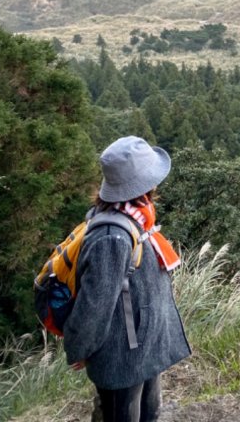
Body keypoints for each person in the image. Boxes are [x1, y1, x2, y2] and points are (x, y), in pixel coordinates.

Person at [64, 136, 191, 422]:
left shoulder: (135, 218)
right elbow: (94, 305)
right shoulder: (112, 237)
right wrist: (80, 348)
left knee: (149, 412)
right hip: (121, 353)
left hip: (141, 343)